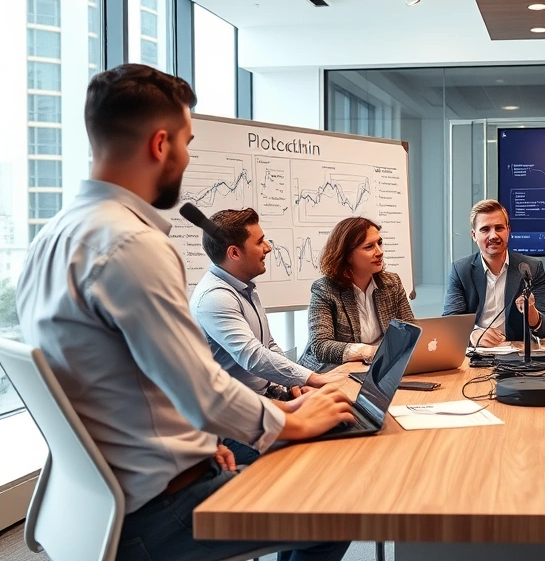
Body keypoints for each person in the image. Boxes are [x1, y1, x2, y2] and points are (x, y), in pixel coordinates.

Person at [16, 63, 353, 561]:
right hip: (159, 514)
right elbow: (203, 392)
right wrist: (292, 423)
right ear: (160, 145)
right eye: (187, 143)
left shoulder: (51, 239)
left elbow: (123, 382)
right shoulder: (131, 244)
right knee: (340, 506)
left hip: (108, 503)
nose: (188, 157)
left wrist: (200, 445)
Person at [190, 208, 346, 464]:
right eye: (260, 241)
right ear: (234, 253)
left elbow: (268, 344)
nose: (268, 248)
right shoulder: (215, 298)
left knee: (341, 421)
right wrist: (313, 378)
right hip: (236, 423)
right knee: (314, 453)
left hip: (268, 400)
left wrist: (292, 382)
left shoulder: (243, 287)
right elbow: (253, 357)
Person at [298, 216, 414, 369]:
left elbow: (409, 330)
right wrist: (369, 352)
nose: (380, 252)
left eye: (379, 243)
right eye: (369, 247)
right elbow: (320, 346)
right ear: (347, 255)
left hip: (377, 367)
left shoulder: (392, 283)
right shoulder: (325, 289)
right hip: (330, 371)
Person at [443, 199, 545, 346]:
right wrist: (473, 334)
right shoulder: (461, 270)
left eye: (499, 228)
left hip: (518, 352)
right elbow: (450, 323)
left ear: (508, 230)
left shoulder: (531, 268)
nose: (494, 235)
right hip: (476, 352)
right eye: (485, 229)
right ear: (474, 235)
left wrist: (531, 311)